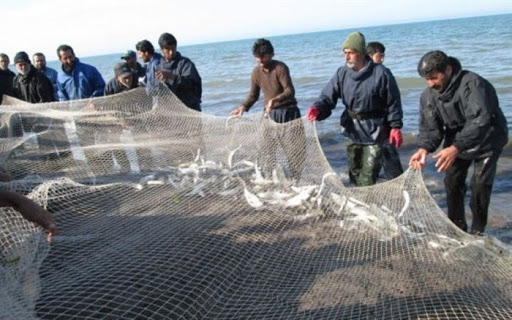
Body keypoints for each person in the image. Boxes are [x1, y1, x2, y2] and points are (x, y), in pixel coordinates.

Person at [409, 50, 508, 235]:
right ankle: (457, 228)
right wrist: (424, 149)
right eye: (426, 79)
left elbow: (481, 120)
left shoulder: (472, 84)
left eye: (434, 78)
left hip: (489, 135)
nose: (430, 83)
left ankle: (478, 231)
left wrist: (456, 147)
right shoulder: (428, 96)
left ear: (448, 69)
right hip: (457, 137)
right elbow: (431, 128)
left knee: (480, 185)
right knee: (452, 182)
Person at [306, 32, 403, 186]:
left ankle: (375, 202)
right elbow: (327, 96)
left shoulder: (381, 73)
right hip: (351, 130)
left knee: (367, 178)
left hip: (375, 132)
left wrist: (395, 127)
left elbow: (393, 102)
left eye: (351, 53)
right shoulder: (342, 73)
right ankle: (364, 203)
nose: (347, 57)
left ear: (361, 53)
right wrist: (318, 109)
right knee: (355, 175)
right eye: (345, 53)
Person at [231, 38, 306, 180]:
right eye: (257, 57)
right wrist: (243, 107)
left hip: (288, 113)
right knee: (266, 149)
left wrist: (275, 99)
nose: (260, 60)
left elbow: (290, 90)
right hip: (269, 114)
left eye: (263, 56)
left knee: (293, 151)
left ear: (271, 54)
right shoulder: (256, 73)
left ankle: (295, 180)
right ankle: (269, 179)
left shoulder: (280, 68)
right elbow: (253, 95)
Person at [366, 41, 404, 180]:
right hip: (365, 126)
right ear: (369, 56)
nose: (382, 60)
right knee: (370, 163)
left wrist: (395, 126)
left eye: (383, 56)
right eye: (379, 56)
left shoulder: (384, 73)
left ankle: (399, 188)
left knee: (390, 160)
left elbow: (394, 100)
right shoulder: (360, 73)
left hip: (383, 124)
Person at [103, 62, 138, 173]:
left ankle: (146, 169)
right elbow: (107, 106)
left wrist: (134, 119)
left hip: (136, 116)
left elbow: (145, 103)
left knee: (142, 143)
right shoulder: (110, 87)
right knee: (116, 144)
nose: (128, 80)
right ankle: (125, 170)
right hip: (118, 118)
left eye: (129, 77)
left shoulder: (138, 82)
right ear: (117, 78)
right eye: (124, 78)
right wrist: (120, 120)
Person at [157, 33, 202, 111]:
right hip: (171, 110)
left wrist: (171, 76)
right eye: (167, 49)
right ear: (161, 50)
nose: (171, 52)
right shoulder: (158, 67)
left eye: (173, 48)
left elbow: (191, 84)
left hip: (190, 108)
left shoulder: (186, 63)